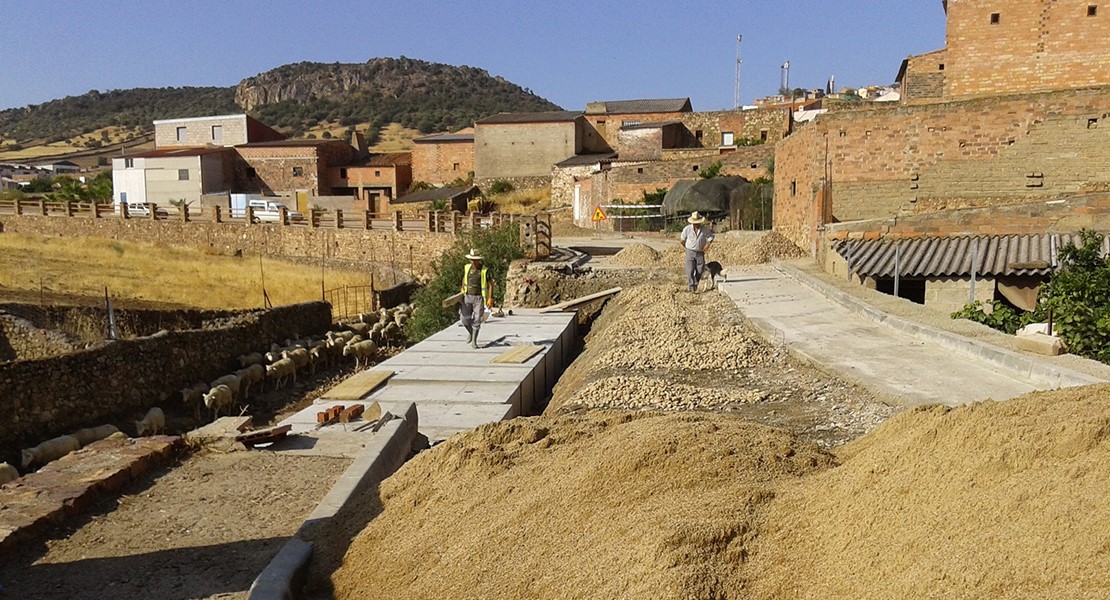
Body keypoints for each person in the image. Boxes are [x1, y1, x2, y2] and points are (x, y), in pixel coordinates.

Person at [459, 248, 494, 348]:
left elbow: (490, 284)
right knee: (464, 318)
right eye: (472, 260)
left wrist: (490, 298)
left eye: (476, 260)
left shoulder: (484, 270)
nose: (474, 262)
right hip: (467, 296)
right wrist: (462, 288)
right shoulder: (466, 268)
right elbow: (464, 278)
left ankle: (474, 340)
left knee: (477, 319)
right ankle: (470, 332)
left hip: (479, 297)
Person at [679, 211, 714, 292]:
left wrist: (707, 245)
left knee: (700, 269)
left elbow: (710, 238)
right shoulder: (687, 229)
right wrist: (687, 248)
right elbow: (682, 240)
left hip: (700, 252)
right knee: (690, 270)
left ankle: (695, 283)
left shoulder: (704, 230)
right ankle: (691, 287)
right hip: (690, 251)